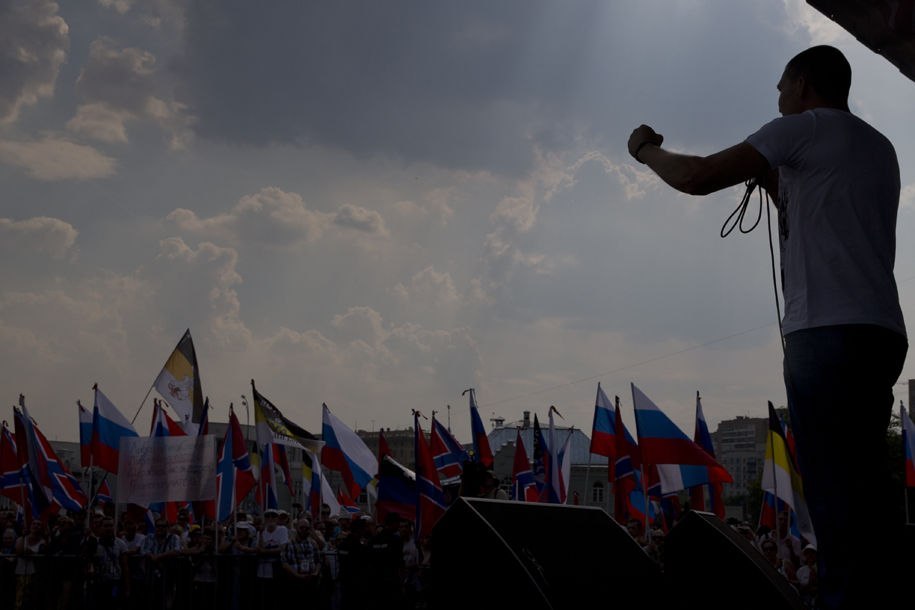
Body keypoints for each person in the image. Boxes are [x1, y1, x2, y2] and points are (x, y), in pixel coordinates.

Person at [628, 45, 907, 610]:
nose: (778, 99)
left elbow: (698, 175)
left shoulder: (800, 130)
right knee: (868, 487)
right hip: (879, 331)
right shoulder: (879, 145)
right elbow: (822, 217)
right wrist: (777, 185)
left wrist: (646, 150)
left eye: (782, 87)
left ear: (803, 85)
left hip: (824, 330)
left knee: (830, 493)